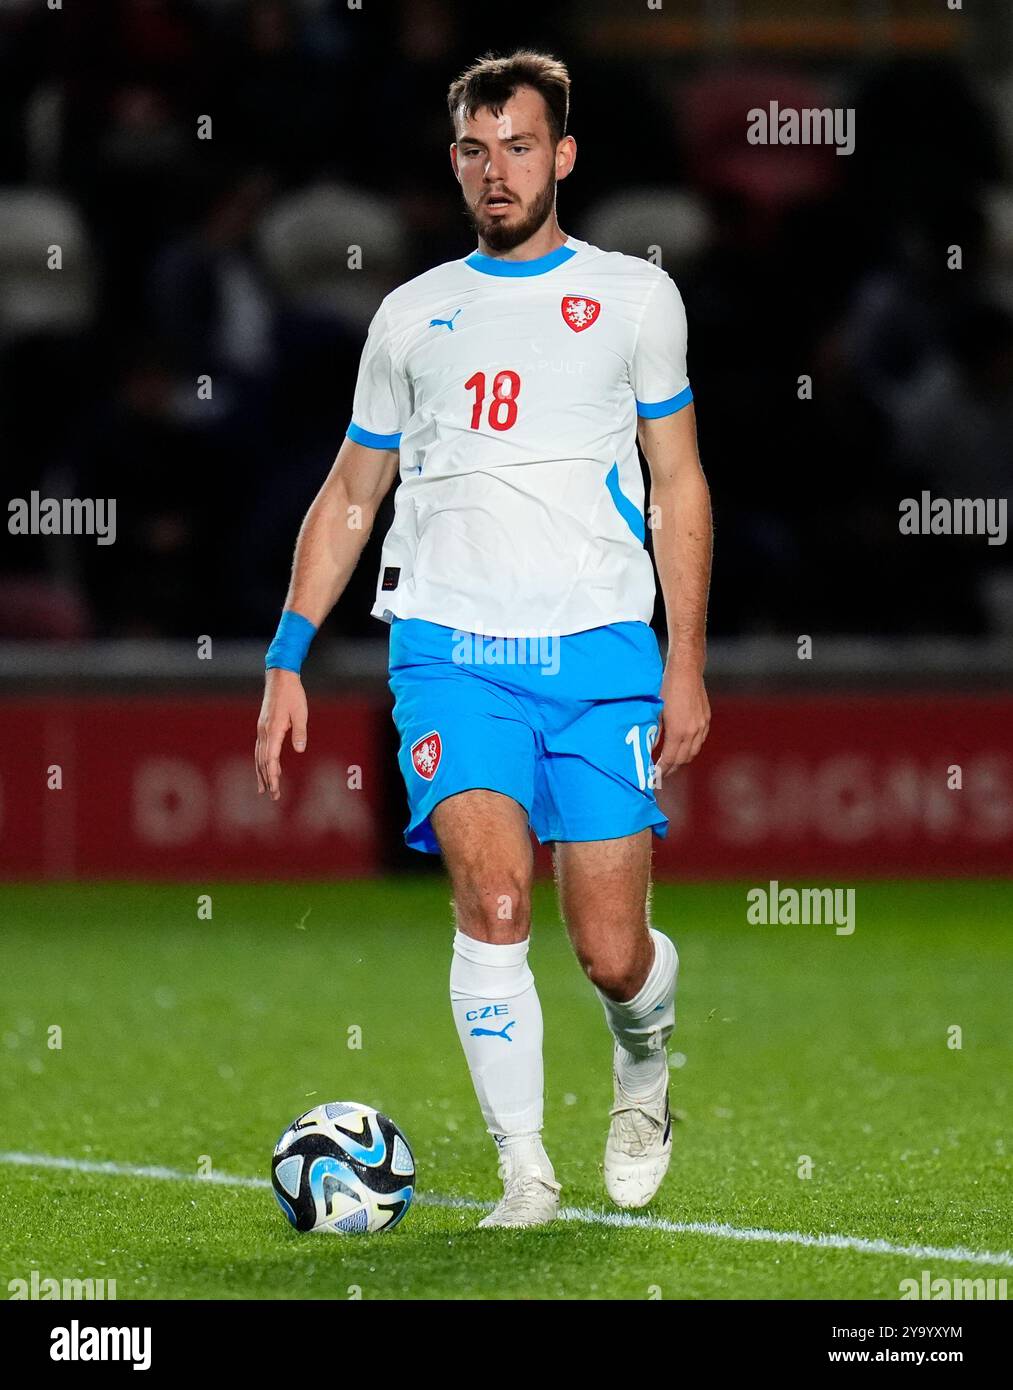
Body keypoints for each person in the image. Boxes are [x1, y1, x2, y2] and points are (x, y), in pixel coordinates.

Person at [255, 50, 712, 1228]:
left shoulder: (631, 298)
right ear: (452, 161)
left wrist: (684, 659)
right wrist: (287, 653)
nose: (495, 169)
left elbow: (677, 481)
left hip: (600, 646)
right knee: (494, 903)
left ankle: (643, 1065)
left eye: (518, 145)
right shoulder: (411, 314)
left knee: (610, 953)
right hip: (451, 651)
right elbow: (352, 491)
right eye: (473, 148)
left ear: (562, 156)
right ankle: (525, 1172)